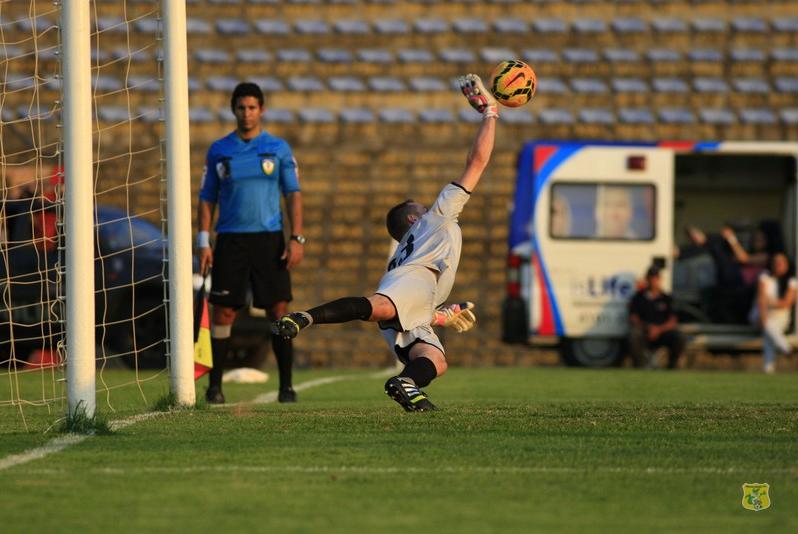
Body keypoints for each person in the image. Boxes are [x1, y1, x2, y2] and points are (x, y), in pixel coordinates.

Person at [271, 74, 497, 412]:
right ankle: (305, 317)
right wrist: (490, 113)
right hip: (413, 283)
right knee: (378, 306)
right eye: (419, 207)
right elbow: (477, 162)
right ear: (413, 219)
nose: (426, 206)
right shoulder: (437, 217)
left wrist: (441, 315)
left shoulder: (416, 242)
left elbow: (414, 304)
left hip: (417, 299)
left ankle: (406, 383)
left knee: (435, 359)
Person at [197, 82, 304, 404]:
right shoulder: (220, 149)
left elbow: (293, 194)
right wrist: (203, 241)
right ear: (234, 110)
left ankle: (286, 387)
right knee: (223, 312)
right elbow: (207, 197)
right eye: (241, 108)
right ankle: (215, 387)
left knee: (278, 309)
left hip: (269, 240)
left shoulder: (278, 148)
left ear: (262, 110)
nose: (247, 113)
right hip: (230, 240)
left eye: (252, 108)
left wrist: (296, 237)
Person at [628, 265, 686, 369]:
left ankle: (672, 366)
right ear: (647, 279)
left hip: (662, 332)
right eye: (651, 278)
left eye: (656, 278)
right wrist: (648, 327)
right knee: (634, 334)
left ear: (660, 279)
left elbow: (673, 321)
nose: (653, 281)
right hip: (645, 332)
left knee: (680, 337)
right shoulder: (638, 297)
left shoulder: (666, 298)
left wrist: (658, 329)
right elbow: (633, 318)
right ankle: (639, 366)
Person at [750, 253, 796, 374]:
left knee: (768, 329)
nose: (778, 265)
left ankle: (768, 368)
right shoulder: (764, 277)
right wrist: (763, 315)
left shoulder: (791, 281)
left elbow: (786, 303)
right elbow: (761, 299)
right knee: (768, 326)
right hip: (761, 314)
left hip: (780, 317)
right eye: (776, 262)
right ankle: (785, 348)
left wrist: (771, 303)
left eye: (781, 262)